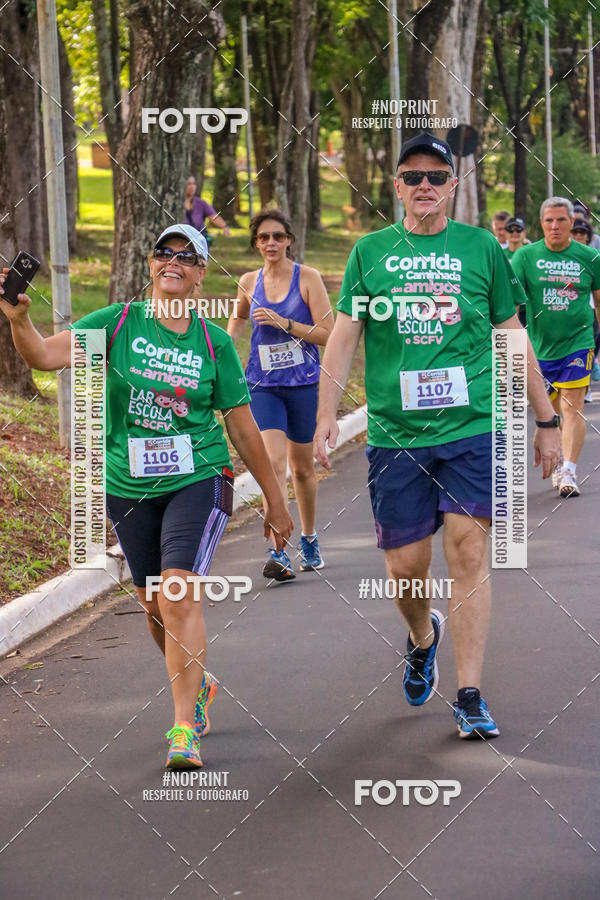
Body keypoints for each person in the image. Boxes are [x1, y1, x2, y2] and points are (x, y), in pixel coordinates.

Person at [0, 223, 292, 769]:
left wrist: (276, 502)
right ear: (151, 264)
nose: (173, 261)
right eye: (164, 252)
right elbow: (42, 356)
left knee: (178, 594)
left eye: (187, 256)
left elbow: (243, 427)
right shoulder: (116, 325)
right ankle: (198, 684)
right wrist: (19, 320)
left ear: (201, 275)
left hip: (199, 477)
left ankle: (183, 728)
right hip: (128, 485)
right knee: (155, 604)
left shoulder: (213, 342)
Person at [315, 132, 561, 741]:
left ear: (452, 185)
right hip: (396, 433)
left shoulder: (481, 248)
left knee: (468, 551)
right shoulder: (370, 252)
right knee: (406, 568)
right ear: (397, 186)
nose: (424, 184)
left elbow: (511, 333)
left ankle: (469, 693)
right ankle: (423, 637)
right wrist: (325, 414)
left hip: (473, 425)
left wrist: (546, 419)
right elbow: (343, 338)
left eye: (435, 175)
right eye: (412, 175)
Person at [228, 209, 333, 581]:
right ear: (256, 243)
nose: (271, 243)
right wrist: (224, 346)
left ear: (289, 240)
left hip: (302, 384)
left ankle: (309, 537)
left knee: (302, 469)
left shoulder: (308, 278)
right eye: (263, 237)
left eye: (277, 236)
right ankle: (279, 551)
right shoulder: (248, 281)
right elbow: (238, 319)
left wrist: (286, 323)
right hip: (263, 385)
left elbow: (328, 333)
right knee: (273, 463)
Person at [512, 198, 600, 497]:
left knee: (572, 406)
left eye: (561, 220)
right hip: (539, 349)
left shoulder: (590, 257)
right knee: (550, 412)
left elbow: (599, 301)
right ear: (541, 223)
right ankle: (559, 459)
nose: (555, 226)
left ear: (571, 222)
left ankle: (570, 471)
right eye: (549, 220)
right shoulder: (525, 257)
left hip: (579, 343)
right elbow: (510, 306)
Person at [570, 219, 600, 398]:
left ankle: (585, 384)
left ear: (588, 236)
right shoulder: (563, 256)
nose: (579, 236)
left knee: (589, 345)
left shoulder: (593, 257)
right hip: (568, 310)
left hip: (591, 309)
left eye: (582, 233)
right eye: (575, 232)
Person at [184, 176, 232, 243]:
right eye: (189, 184)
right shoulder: (175, 204)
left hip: (198, 238)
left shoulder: (201, 203)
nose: (192, 186)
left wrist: (224, 227)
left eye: (194, 183)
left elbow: (213, 217)